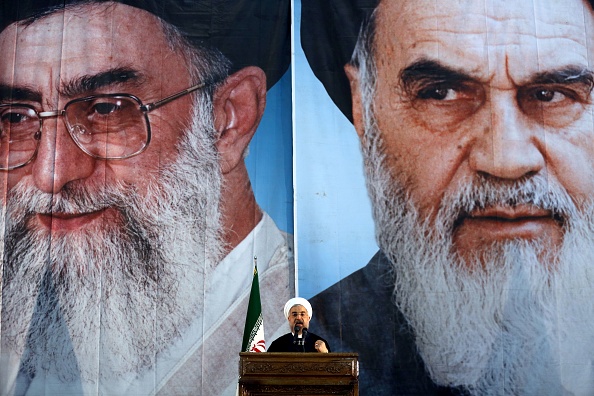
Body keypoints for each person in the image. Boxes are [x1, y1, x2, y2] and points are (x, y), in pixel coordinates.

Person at [302, 0, 594, 394]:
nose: (505, 160)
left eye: (549, 96)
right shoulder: (307, 362)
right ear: (363, 106)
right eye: (442, 94)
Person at [0, 1, 292, 395]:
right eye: (16, 117)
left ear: (228, 119)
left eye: (107, 109)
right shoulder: (16, 345)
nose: (50, 173)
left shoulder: (315, 340)